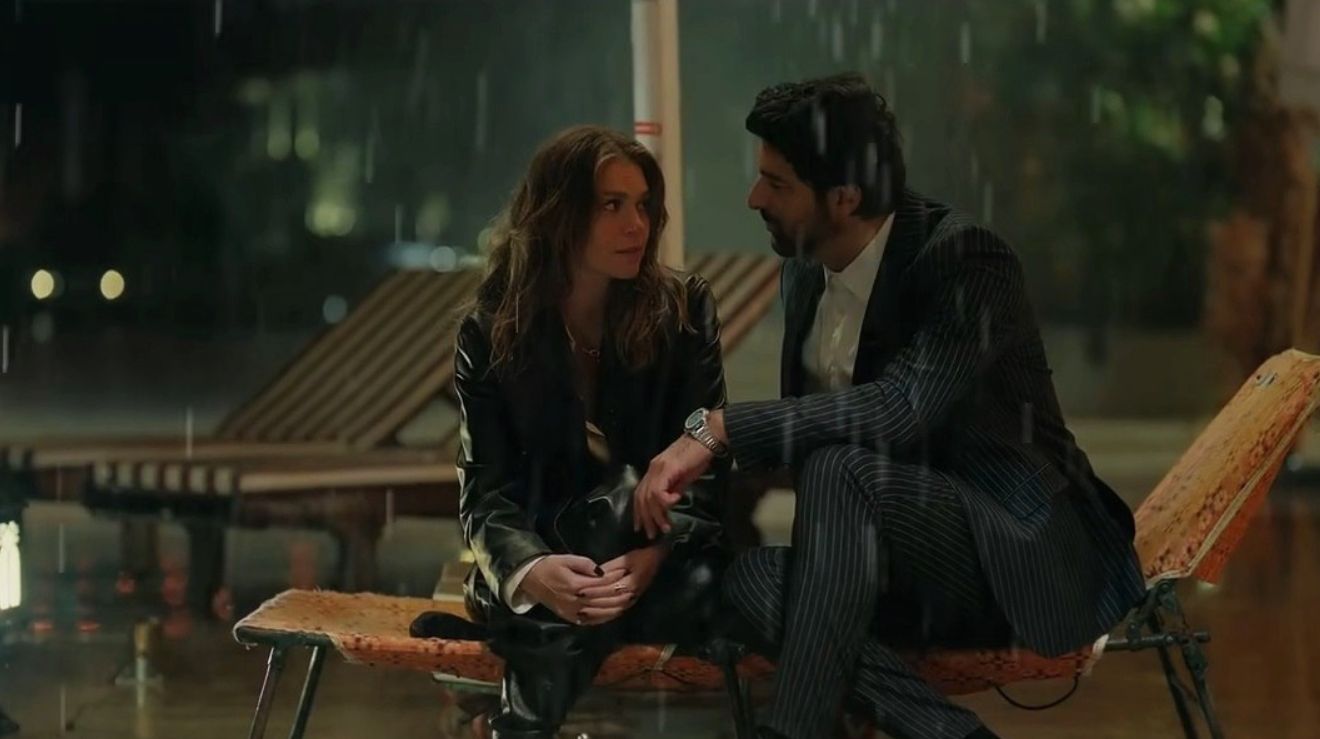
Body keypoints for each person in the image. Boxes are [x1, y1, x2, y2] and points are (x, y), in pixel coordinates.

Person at [632, 73, 1146, 739]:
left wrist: (721, 429)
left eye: (777, 184)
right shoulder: (804, 270)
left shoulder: (966, 261)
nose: (754, 198)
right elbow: (813, 430)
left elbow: (898, 409)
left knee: (838, 469)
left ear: (844, 198)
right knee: (752, 580)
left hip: (1014, 557)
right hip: (878, 566)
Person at [452, 124, 729, 739]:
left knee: (634, 500)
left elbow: (708, 456)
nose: (637, 225)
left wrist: (655, 554)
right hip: (549, 561)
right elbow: (485, 492)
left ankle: (514, 727)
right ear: (558, 215)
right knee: (602, 535)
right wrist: (533, 572)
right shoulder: (492, 331)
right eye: (612, 205)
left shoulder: (683, 312)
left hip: (655, 565)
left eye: (644, 206)